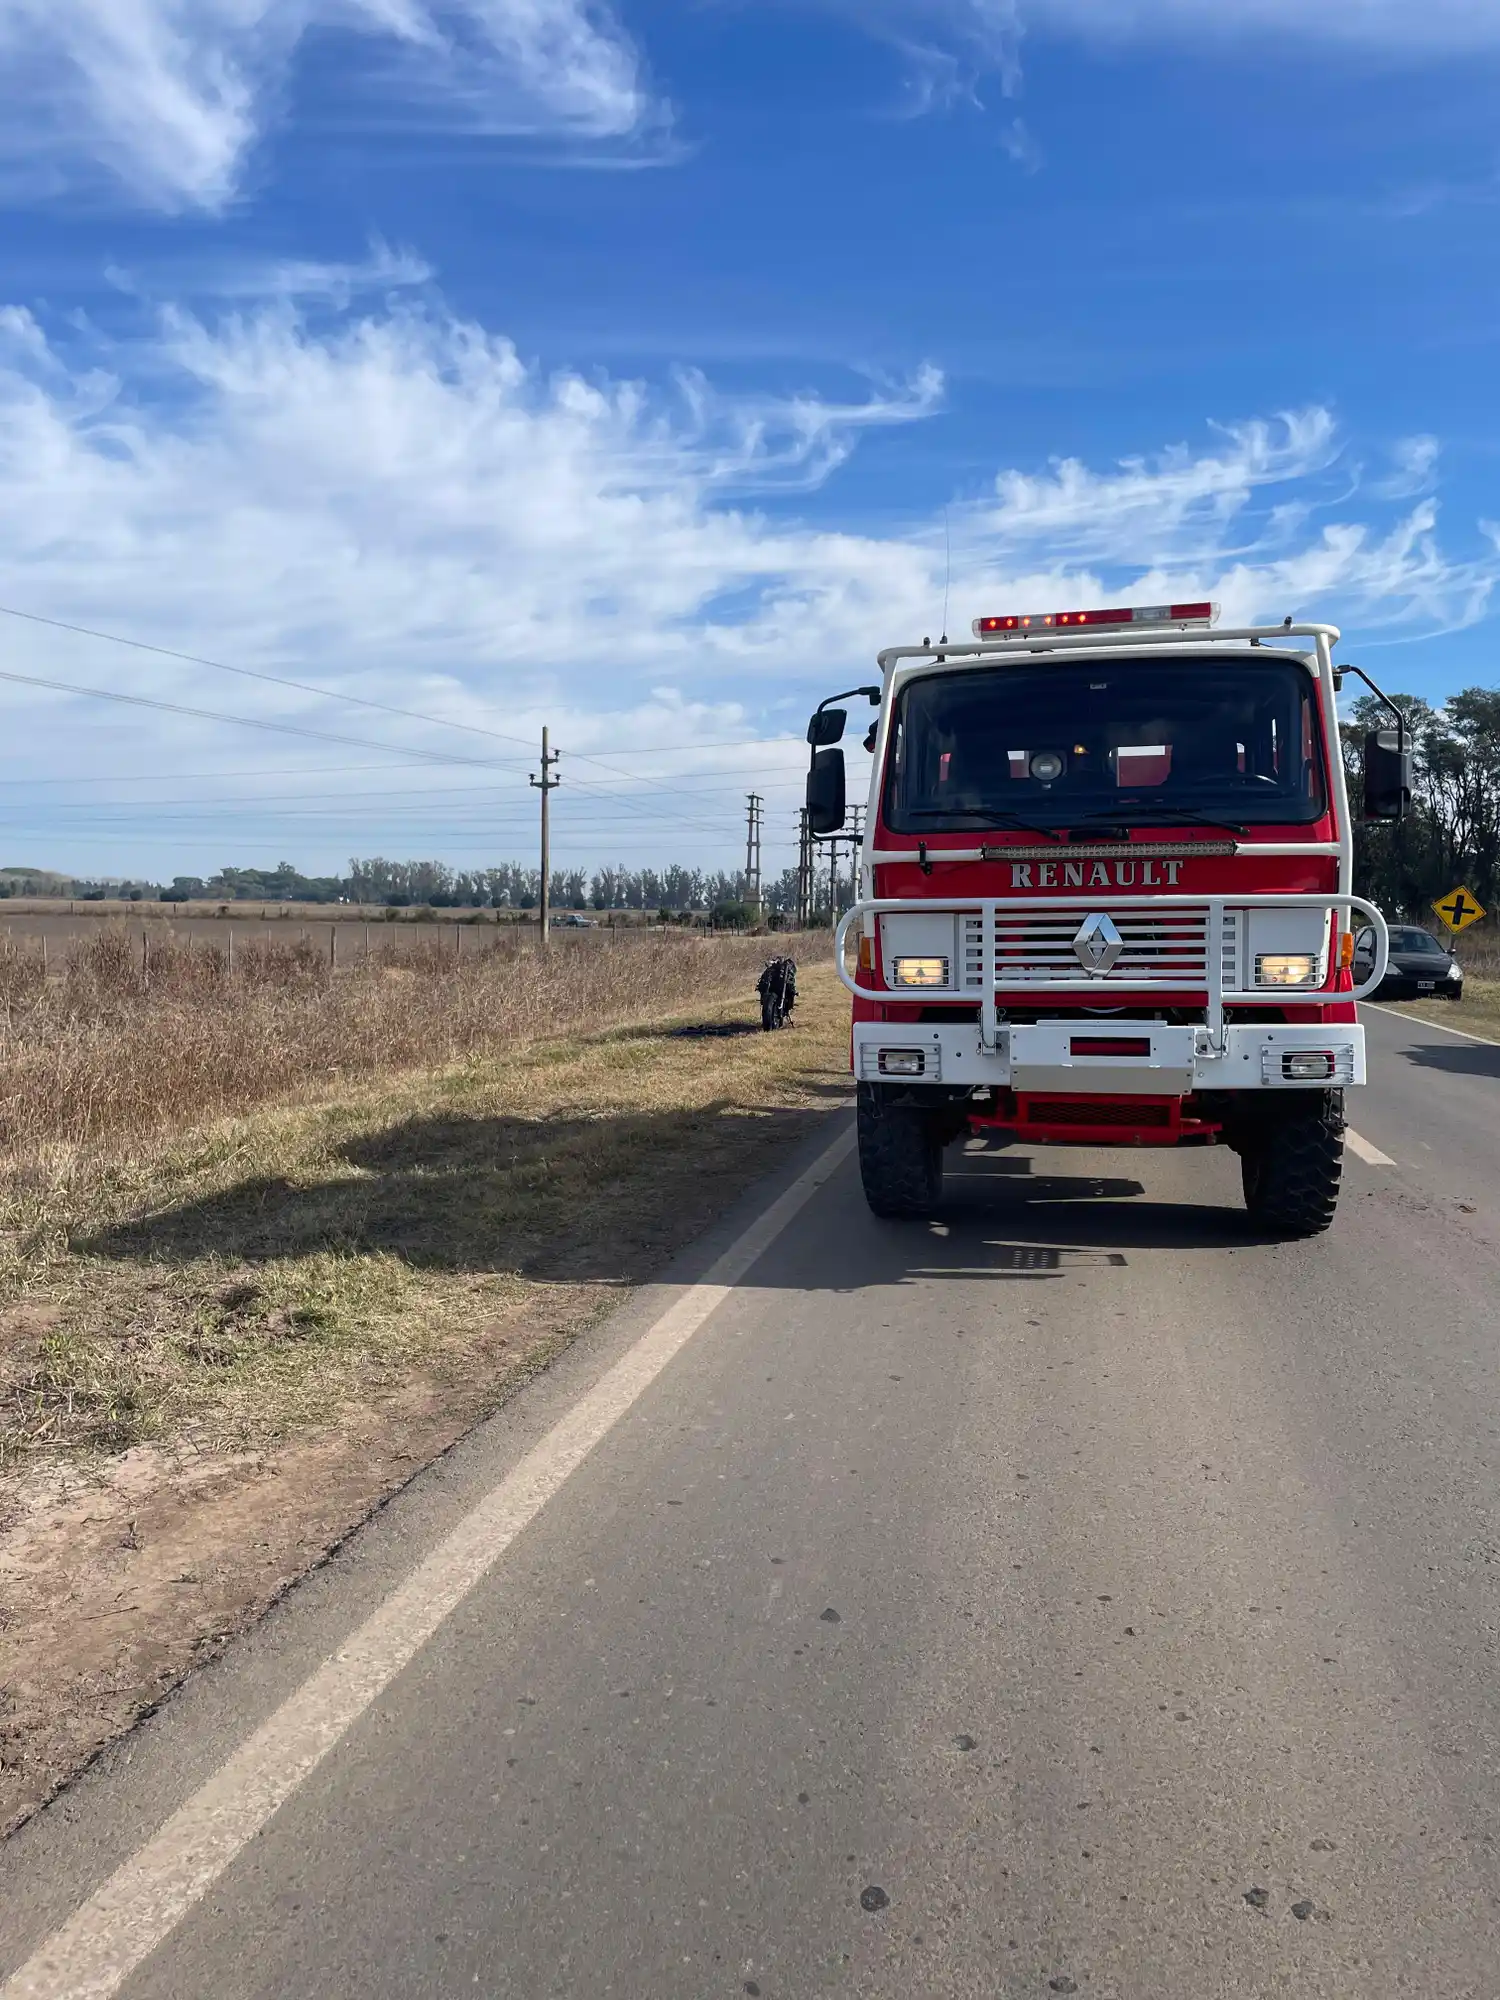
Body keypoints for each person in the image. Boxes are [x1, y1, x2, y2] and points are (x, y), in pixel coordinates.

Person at [757, 955, 797, 1030]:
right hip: (771, 992)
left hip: (780, 992)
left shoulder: (787, 969)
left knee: (791, 989)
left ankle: (784, 1011)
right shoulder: (770, 970)